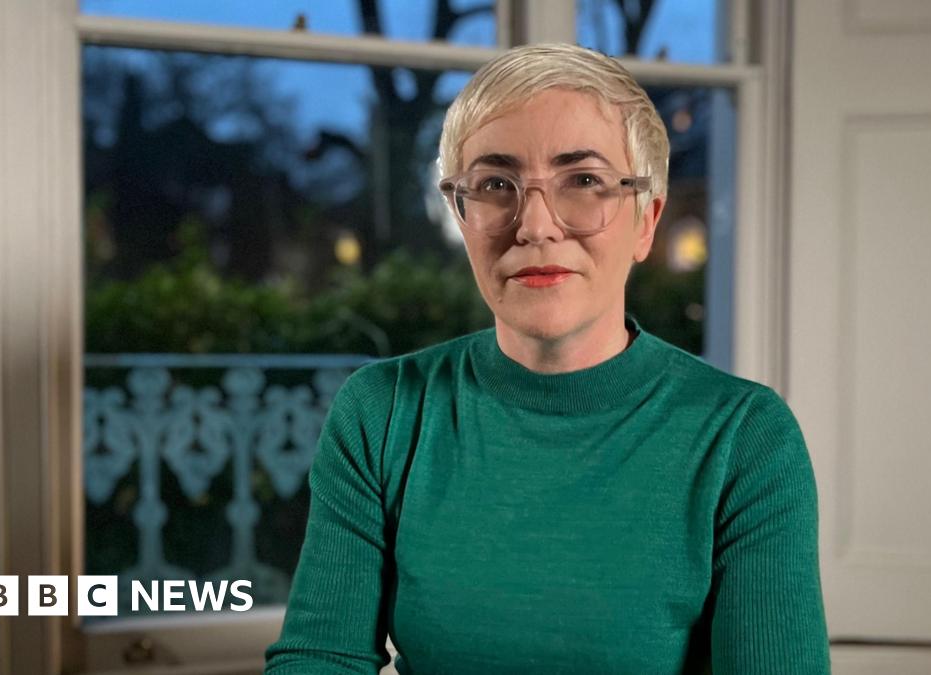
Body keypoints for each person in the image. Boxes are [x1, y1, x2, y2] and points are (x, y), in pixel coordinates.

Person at [263, 42, 830, 674]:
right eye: (496, 184)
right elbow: (319, 659)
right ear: (461, 211)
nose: (535, 225)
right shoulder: (384, 411)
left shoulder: (745, 438)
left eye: (583, 181)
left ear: (646, 221)